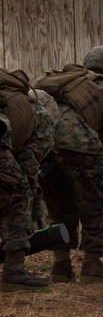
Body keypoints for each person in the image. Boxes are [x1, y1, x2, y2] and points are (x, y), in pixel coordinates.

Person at [35, 51, 103, 283]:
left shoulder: (63, 81)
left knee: (59, 204)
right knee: (100, 202)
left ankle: (60, 264)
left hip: (44, 145)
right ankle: (92, 264)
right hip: (81, 145)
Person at [0, 69, 54, 291]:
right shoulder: (39, 114)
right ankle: (14, 271)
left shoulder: (9, 103)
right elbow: (28, 167)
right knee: (18, 196)